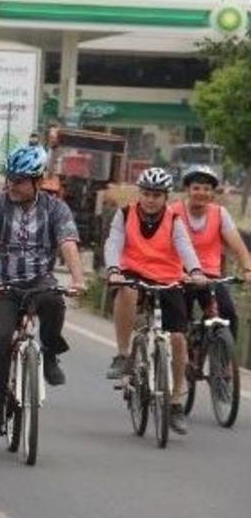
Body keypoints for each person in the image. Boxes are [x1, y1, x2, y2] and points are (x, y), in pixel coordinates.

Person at [0, 146, 87, 438]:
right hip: (2, 284)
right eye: (10, 178)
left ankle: (49, 353)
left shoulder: (55, 208)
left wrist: (78, 279)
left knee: (55, 302)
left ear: (38, 181)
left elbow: (68, 243)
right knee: (0, 341)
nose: (12, 185)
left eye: (20, 180)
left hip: (39, 280)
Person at [104, 167, 208, 434]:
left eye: (157, 195)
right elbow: (114, 242)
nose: (151, 200)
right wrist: (114, 269)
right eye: (147, 194)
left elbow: (185, 246)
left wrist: (196, 271)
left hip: (167, 277)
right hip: (133, 272)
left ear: (165, 197)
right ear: (140, 194)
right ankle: (123, 355)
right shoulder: (125, 213)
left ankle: (175, 402)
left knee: (178, 339)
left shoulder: (174, 219)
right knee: (126, 291)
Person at [172, 166, 251, 339]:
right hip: (180, 274)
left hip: (210, 276)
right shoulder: (173, 212)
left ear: (213, 193)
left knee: (228, 313)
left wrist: (247, 269)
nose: (201, 193)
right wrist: (177, 273)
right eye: (196, 188)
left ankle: (224, 354)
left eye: (207, 189)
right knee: (180, 318)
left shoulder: (220, 214)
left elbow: (239, 247)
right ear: (187, 189)